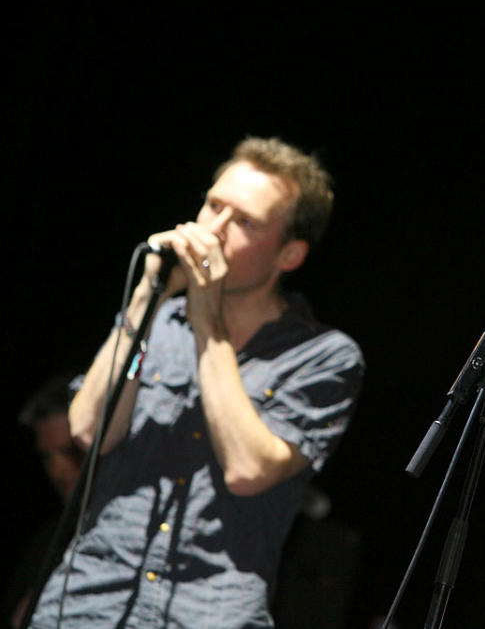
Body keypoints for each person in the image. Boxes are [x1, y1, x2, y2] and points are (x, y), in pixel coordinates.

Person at [28, 137, 364, 629]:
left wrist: (209, 323)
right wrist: (146, 297)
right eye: (213, 205)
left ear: (289, 255)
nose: (214, 229)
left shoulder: (324, 356)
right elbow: (88, 429)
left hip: (209, 611)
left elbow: (249, 469)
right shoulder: (158, 321)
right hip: (90, 600)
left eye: (244, 222)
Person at [3, 374, 83, 629]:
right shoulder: (44, 547)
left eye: (70, 451)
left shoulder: (139, 533)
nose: (58, 471)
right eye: (47, 457)